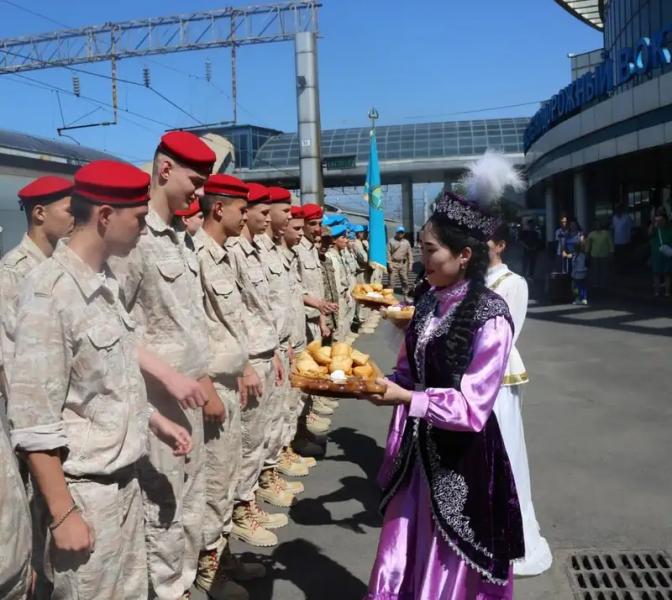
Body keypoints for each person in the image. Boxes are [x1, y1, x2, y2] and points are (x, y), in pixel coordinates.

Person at [9, 160, 193, 600]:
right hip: (86, 496)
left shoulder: (103, 282)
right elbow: (34, 422)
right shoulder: (48, 293)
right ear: (106, 216)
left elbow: (107, 381)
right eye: (139, 219)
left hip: (124, 487)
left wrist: (153, 420)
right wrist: (63, 512)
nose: (144, 230)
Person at [363, 151, 524, 599]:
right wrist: (376, 382)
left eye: (429, 250)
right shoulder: (430, 301)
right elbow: (407, 368)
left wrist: (406, 398)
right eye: (420, 247)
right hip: (418, 456)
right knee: (400, 553)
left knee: (447, 564)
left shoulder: (491, 317)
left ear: (465, 255)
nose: (421, 258)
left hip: (464, 461)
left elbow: (473, 409)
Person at [109, 131, 216, 600]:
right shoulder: (134, 238)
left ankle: (184, 585)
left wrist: (202, 375)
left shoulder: (179, 238)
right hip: (155, 405)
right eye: (195, 180)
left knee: (190, 507)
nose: (201, 193)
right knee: (165, 513)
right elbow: (111, 327)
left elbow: (189, 322)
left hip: (187, 399)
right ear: (165, 170)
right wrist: (168, 375)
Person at [193, 174, 265, 600]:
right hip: (212, 389)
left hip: (230, 381)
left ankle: (222, 554)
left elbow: (230, 325)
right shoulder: (197, 255)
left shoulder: (220, 254)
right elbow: (196, 331)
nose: (243, 216)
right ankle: (208, 567)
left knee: (230, 471)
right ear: (219, 209)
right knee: (215, 481)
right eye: (240, 209)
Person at [486, 224, 553, 577]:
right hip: (471, 381)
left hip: (498, 378)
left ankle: (511, 538)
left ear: (501, 245)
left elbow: (504, 333)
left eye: (486, 240)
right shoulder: (470, 280)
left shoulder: (512, 283)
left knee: (505, 452)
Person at [226, 182, 287, 548]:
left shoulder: (252, 249)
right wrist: (245, 362)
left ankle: (254, 494)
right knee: (247, 442)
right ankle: (243, 509)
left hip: (266, 353)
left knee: (262, 432)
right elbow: (231, 317)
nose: (266, 218)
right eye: (262, 212)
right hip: (245, 362)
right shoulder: (231, 252)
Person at [0, 176, 74, 415]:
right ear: (40, 213)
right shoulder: (13, 272)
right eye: (70, 210)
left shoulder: (64, 265)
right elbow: (7, 358)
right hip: (37, 414)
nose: (77, 218)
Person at [255, 186, 304, 508]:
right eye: (285, 211)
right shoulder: (249, 249)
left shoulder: (273, 249)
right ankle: (262, 482)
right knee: (261, 426)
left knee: (282, 411)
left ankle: (278, 459)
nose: (290, 216)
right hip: (260, 353)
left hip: (280, 345)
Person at [325, 225, 355, 342]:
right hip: (338, 299)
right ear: (334, 240)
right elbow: (335, 283)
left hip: (344, 296)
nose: (346, 240)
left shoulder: (339, 255)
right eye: (343, 237)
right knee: (338, 332)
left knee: (344, 328)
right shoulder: (331, 257)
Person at [586, 219, 614, 292]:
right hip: (594, 256)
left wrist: (611, 253)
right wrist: (587, 254)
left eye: (599, 224)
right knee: (595, 271)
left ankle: (603, 285)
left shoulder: (606, 233)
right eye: (596, 224)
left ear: (601, 225)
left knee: (604, 271)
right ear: (594, 226)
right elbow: (588, 246)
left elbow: (611, 244)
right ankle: (596, 285)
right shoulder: (591, 234)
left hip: (604, 256)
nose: (597, 226)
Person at [649, 210, 672, 297]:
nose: (660, 222)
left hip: (657, 254)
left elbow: (649, 233)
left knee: (657, 274)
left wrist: (653, 223)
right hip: (667, 254)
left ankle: (657, 292)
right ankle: (667, 292)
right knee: (667, 274)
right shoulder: (667, 229)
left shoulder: (655, 229)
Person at [387, 225, 413, 297]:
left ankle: (405, 293)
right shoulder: (391, 241)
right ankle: (389, 295)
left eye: (402, 233)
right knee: (391, 281)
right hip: (393, 263)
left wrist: (410, 264)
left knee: (405, 280)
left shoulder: (406, 242)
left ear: (404, 233)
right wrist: (389, 264)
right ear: (396, 233)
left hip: (403, 264)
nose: (400, 234)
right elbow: (388, 253)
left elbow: (409, 253)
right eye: (399, 232)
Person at [612, 203, 633, 273]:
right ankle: (618, 271)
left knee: (625, 257)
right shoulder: (614, 218)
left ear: (621, 210)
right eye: (616, 210)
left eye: (619, 209)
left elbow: (630, 228)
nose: (618, 211)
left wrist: (629, 239)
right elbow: (613, 228)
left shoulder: (626, 217)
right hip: (616, 241)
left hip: (625, 241)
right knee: (618, 257)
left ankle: (626, 271)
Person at [572, 239, 589, 305]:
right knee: (583, 287)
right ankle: (584, 299)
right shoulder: (583, 255)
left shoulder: (575, 256)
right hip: (584, 272)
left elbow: (574, 265)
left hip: (577, 274)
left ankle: (578, 299)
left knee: (576, 287)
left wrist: (573, 274)